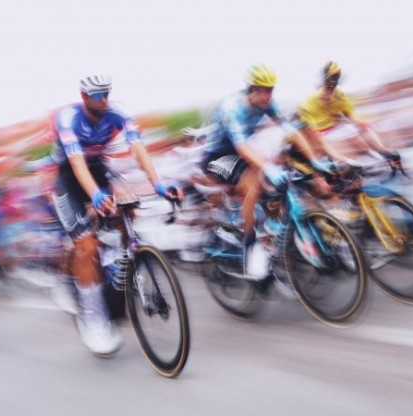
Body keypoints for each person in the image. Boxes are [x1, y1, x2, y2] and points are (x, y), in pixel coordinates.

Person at [51, 74, 180, 356]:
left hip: (99, 169)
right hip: (69, 177)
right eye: (98, 95)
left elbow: (137, 148)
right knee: (87, 246)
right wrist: (95, 195)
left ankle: (121, 261)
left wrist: (157, 184)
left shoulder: (117, 114)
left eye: (106, 94)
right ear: (84, 97)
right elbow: (77, 163)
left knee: (128, 207)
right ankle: (93, 320)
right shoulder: (68, 118)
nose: (104, 100)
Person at [200, 65, 328, 284]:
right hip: (216, 157)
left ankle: (271, 236)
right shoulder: (232, 107)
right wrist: (268, 168)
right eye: (265, 90)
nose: (269, 95)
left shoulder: (267, 104)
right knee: (253, 182)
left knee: (276, 183)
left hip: (240, 152)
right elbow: (241, 147)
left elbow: (291, 131)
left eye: (272, 90)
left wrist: (314, 160)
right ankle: (250, 246)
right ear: (252, 90)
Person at [291, 61, 401, 170]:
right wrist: (341, 160)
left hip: (331, 127)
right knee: (318, 139)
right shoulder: (309, 102)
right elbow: (315, 137)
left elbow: (357, 120)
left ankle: (379, 153)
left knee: (358, 129)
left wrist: (381, 148)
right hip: (314, 131)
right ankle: (342, 162)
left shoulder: (340, 98)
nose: (330, 91)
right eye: (328, 86)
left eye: (333, 86)